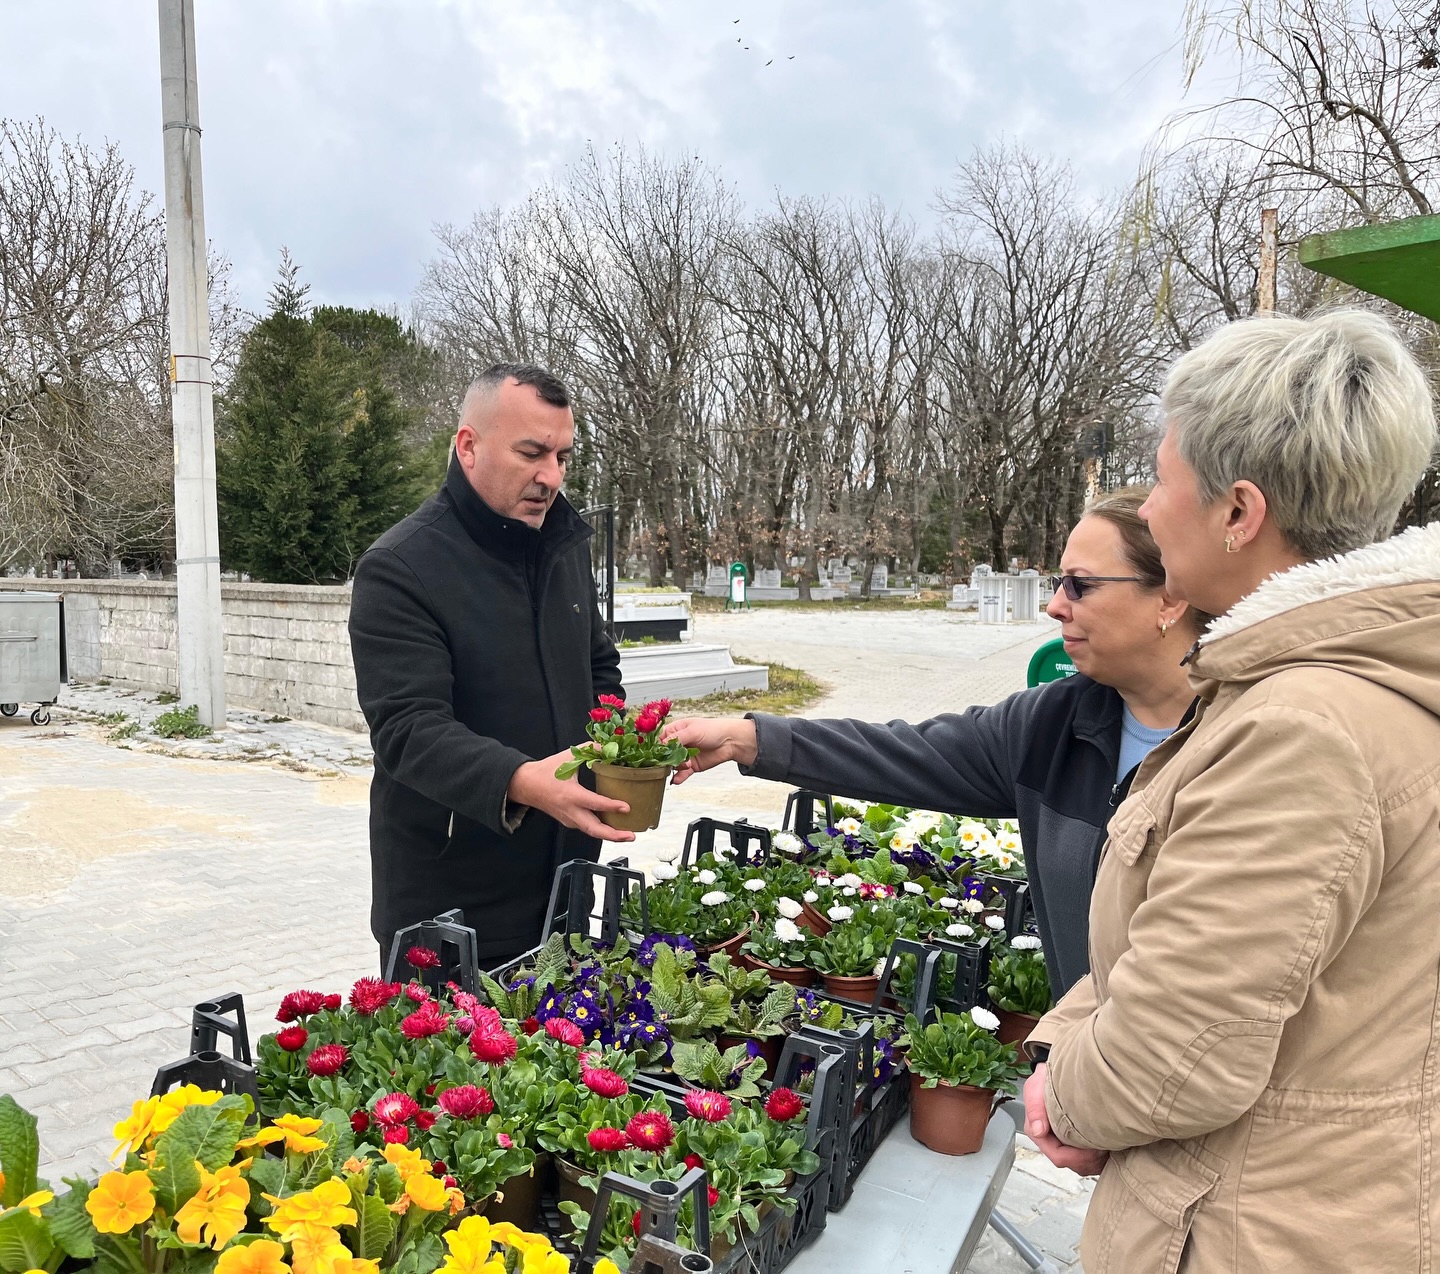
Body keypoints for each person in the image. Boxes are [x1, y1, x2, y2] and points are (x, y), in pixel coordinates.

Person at [1022, 310, 1440, 1272]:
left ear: (1239, 513)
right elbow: (1184, 952)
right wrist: (1077, 1033)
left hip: (1252, 1231)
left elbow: (1175, 1055)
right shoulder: (1339, 684)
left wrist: (1060, 1094)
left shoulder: (1304, 728)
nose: (1151, 509)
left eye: (1163, 480)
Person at [666, 488, 1206, 998]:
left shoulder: (1238, 742)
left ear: (1170, 598)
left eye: (1080, 585)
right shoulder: (1051, 724)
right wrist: (746, 738)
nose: (1055, 606)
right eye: (1057, 583)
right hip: (1078, 1054)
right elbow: (904, 754)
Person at [349, 363, 634, 975]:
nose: (550, 476)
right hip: (450, 913)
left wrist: (622, 753)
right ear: (468, 445)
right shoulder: (401, 566)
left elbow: (598, 668)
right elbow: (407, 729)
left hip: (567, 888)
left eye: (562, 456)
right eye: (531, 453)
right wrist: (523, 781)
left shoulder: (563, 544)